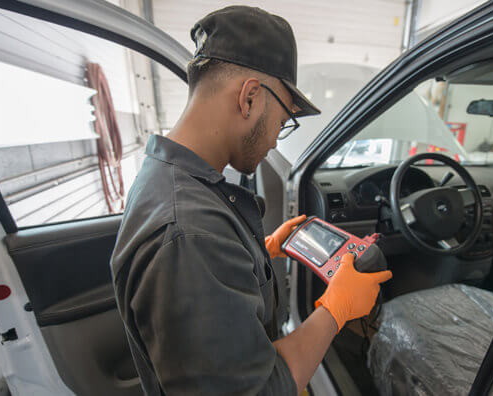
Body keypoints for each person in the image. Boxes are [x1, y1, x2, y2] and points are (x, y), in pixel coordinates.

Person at [110, 6, 392, 395]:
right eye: (283, 120)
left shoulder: (169, 176)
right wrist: (335, 309)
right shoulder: (191, 236)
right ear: (250, 98)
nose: (278, 138)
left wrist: (258, 251)